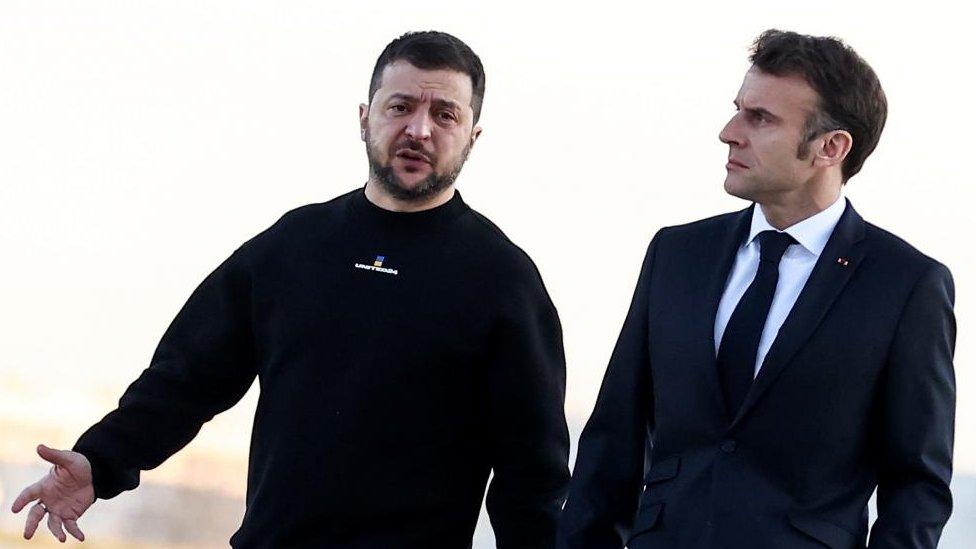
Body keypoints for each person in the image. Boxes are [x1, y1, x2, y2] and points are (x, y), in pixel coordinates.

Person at [12, 30, 570, 548]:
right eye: (400, 107)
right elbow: (187, 378)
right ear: (364, 117)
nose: (419, 130)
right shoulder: (294, 246)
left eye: (443, 114)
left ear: (472, 137)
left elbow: (532, 477)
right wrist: (101, 460)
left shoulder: (503, 282)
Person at [558, 29, 955, 549]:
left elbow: (917, 488)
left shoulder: (905, 284)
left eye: (760, 118)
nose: (729, 132)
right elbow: (612, 441)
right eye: (738, 109)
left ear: (830, 147)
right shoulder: (677, 255)